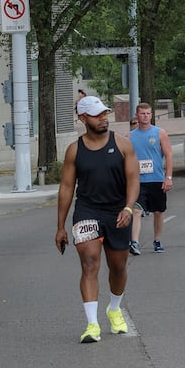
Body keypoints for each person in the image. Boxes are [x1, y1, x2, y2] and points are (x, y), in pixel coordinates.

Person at [55, 95, 140, 344]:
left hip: (118, 211)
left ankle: (114, 308)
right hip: (87, 211)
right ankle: (92, 325)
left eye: (104, 113)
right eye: (97, 115)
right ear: (83, 118)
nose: (104, 118)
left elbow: (134, 180)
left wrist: (128, 208)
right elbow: (67, 188)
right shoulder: (75, 150)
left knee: (118, 268)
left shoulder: (123, 145)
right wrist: (60, 226)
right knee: (90, 263)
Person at [127, 101, 172, 254]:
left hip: (157, 179)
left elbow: (168, 155)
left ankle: (157, 240)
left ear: (151, 115)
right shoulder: (130, 137)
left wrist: (168, 177)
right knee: (137, 211)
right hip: (138, 182)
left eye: (148, 114)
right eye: (142, 114)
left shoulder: (160, 133)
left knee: (158, 212)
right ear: (137, 115)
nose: (145, 116)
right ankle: (135, 242)